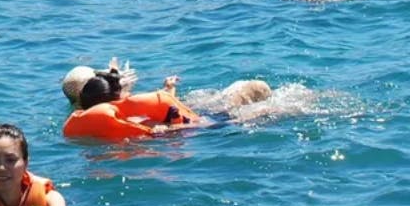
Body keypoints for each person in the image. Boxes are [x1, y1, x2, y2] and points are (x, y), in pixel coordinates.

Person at [61, 62, 271, 140]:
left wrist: (168, 89)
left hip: (194, 123)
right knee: (255, 98)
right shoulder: (125, 114)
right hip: (208, 126)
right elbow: (164, 119)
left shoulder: (85, 119)